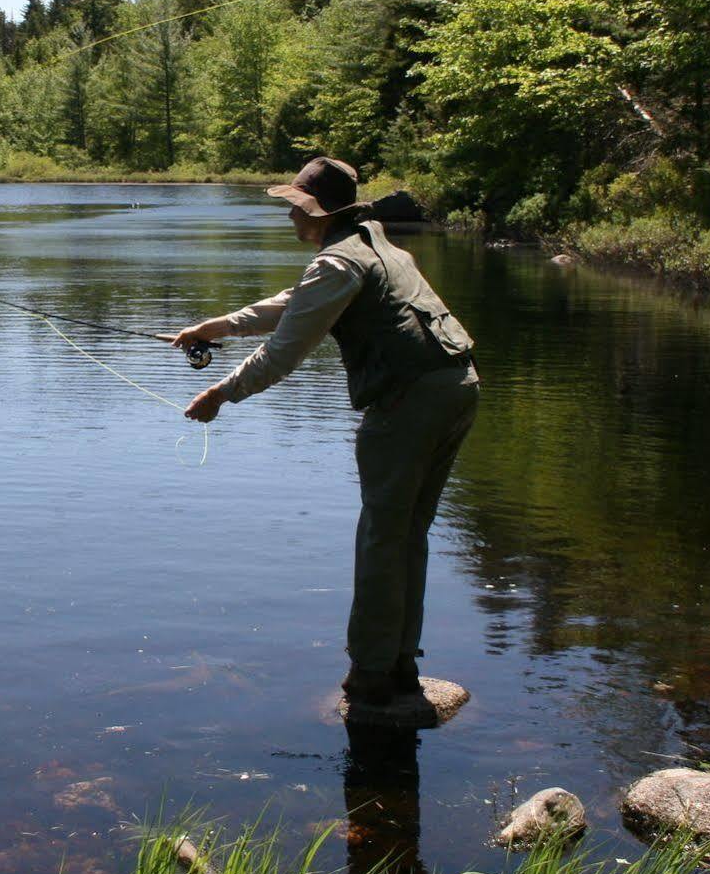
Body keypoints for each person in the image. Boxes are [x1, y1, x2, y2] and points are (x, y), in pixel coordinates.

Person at [171, 156, 479, 708]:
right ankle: (401, 665)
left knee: (382, 536)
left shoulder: (338, 264)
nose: (291, 217)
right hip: (457, 388)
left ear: (318, 212)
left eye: (296, 207)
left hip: (408, 401)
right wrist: (216, 326)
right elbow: (297, 305)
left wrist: (220, 394)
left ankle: (371, 675)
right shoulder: (374, 248)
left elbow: (284, 351)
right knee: (408, 533)